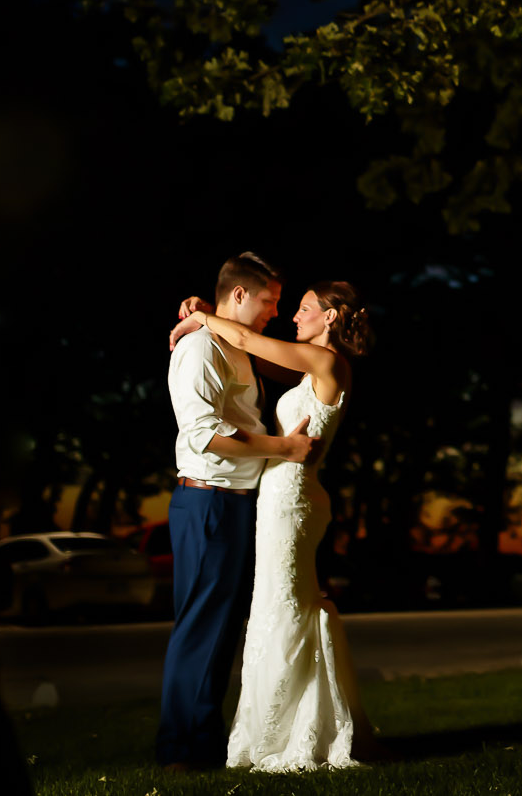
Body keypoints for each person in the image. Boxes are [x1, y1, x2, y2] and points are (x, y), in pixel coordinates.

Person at [169, 279, 389, 769]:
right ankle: (288, 726)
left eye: (304, 308)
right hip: (280, 498)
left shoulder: (327, 362)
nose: (292, 315)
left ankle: (289, 735)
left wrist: (202, 316)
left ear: (330, 317)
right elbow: (249, 351)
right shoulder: (311, 365)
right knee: (279, 604)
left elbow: (246, 339)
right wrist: (208, 312)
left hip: (292, 499)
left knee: (284, 607)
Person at [156, 252, 320, 771]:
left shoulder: (233, 343)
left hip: (233, 502)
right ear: (241, 294)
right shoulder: (200, 347)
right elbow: (205, 434)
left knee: (220, 629)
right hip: (209, 500)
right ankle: (180, 751)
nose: (276, 311)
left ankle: (200, 744)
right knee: (201, 628)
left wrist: (207, 313)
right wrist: (284, 448)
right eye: (269, 301)